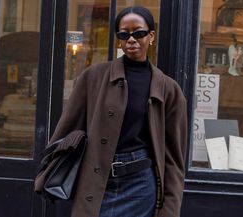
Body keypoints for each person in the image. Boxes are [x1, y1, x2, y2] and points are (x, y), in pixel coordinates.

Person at [44, 6, 187, 217]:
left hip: (140, 185)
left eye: (138, 33)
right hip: (96, 179)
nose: (131, 39)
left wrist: (170, 207)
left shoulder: (168, 89)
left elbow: (174, 157)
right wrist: (48, 171)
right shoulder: (93, 77)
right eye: (124, 34)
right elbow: (67, 127)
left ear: (151, 36)